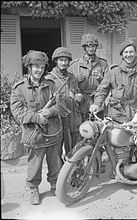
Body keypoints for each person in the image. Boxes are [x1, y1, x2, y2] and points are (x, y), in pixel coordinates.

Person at [10, 50, 63, 205]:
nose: (39, 70)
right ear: (29, 67)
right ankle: (33, 189)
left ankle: (55, 185)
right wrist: (36, 117)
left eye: (41, 67)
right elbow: (17, 112)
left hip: (52, 132)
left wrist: (50, 111)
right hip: (34, 134)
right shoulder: (19, 88)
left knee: (55, 163)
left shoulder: (51, 85)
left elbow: (61, 105)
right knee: (34, 165)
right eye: (36, 67)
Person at [89, 39, 137, 123]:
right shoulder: (114, 71)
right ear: (122, 54)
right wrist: (96, 104)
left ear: (135, 53)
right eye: (126, 52)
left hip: (136, 115)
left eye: (131, 52)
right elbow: (102, 90)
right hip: (116, 115)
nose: (128, 55)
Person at [46, 47, 83, 159]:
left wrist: (78, 96)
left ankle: (74, 173)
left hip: (73, 118)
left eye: (66, 60)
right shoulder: (49, 78)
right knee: (57, 152)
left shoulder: (71, 77)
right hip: (59, 120)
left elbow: (77, 91)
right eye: (61, 60)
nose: (63, 63)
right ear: (56, 61)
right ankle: (59, 174)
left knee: (75, 149)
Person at [68, 33, 109, 121]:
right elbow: (68, 86)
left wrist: (100, 78)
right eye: (88, 46)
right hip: (81, 103)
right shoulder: (75, 65)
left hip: (97, 102)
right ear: (84, 48)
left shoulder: (103, 64)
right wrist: (76, 80)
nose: (91, 49)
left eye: (93, 46)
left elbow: (108, 84)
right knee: (82, 130)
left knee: (98, 130)